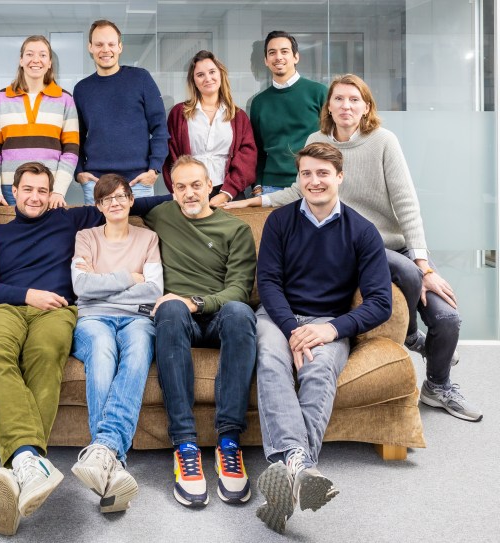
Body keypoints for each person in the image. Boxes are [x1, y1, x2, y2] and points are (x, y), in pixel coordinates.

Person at [228, 73, 483, 422]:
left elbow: (406, 203)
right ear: (328, 107)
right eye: (339, 99)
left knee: (447, 317)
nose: (346, 106)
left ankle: (437, 385)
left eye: (354, 99)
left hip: (395, 245)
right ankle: (413, 336)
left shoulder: (383, 141)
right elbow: (299, 189)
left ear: (366, 107)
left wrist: (424, 264)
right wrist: (252, 202)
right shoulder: (317, 140)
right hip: (359, 245)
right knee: (406, 272)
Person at [0, 162, 167, 536]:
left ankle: (31, 464)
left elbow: (121, 203)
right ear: (14, 191)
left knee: (47, 356)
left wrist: (193, 197)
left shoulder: (70, 220)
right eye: (27, 189)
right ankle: (29, 460)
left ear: (52, 194)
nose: (35, 197)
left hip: (57, 310)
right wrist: (27, 294)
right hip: (7, 307)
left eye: (42, 190)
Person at [253, 143, 392, 533]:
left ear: (339, 177)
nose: (314, 181)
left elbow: (381, 302)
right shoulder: (279, 221)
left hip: (329, 323)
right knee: (271, 360)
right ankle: (302, 468)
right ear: (298, 179)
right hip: (278, 317)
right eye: (306, 174)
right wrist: (294, 331)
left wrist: (330, 329)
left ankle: (289, 471)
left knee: (317, 371)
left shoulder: (362, 231)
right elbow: (268, 283)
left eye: (323, 173)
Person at [143, 155, 257, 508]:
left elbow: (239, 289)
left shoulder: (235, 229)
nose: (189, 193)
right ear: (172, 191)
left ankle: (229, 443)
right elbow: (116, 202)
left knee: (240, 312)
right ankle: (185, 445)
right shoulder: (160, 214)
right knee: (169, 307)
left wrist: (196, 302)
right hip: (178, 320)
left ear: (211, 186)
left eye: (196, 185)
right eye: (181, 187)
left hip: (219, 315)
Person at [70, 174, 163, 514]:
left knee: (137, 352)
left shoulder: (148, 238)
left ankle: (103, 452)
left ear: (131, 200)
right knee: (102, 351)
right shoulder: (86, 237)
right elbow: (81, 287)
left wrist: (102, 284)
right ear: (98, 205)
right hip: (93, 318)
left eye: (122, 196)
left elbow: (153, 289)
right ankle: (114, 459)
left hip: (138, 318)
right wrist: (127, 277)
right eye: (107, 199)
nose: (116, 203)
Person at [74, 19, 169, 203]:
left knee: (140, 224)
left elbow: (159, 127)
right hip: (97, 183)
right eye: (99, 44)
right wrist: (79, 172)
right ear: (90, 47)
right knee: (96, 224)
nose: (105, 49)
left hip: (138, 183)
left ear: (120, 47)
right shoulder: (82, 90)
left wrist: (154, 169)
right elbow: (75, 137)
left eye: (111, 44)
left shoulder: (141, 79)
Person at [0, 35, 79, 211]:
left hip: (48, 189)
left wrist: (58, 190)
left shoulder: (65, 99)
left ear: (49, 63)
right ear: (21, 60)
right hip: (10, 189)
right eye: (29, 54)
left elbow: (71, 151)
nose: (36, 60)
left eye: (42, 55)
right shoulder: (1, 99)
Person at [164, 50, 256, 206]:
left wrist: (226, 194)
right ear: (193, 80)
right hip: (191, 194)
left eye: (212, 72)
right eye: (200, 75)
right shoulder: (179, 113)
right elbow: (170, 158)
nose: (208, 78)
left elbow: (248, 157)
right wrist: (182, 191)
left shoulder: (238, 116)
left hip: (229, 193)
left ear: (220, 74)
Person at [249, 30, 326, 196]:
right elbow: (257, 150)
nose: (278, 57)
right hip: (271, 187)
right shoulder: (259, 103)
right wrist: (257, 184)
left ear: (296, 57)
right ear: (266, 60)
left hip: (312, 183)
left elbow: (334, 140)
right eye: (272, 53)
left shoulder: (319, 93)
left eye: (284, 51)